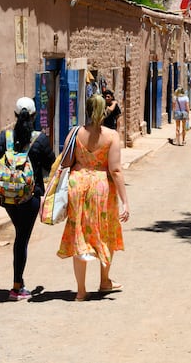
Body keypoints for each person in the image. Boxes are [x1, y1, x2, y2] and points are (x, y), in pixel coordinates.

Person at [58, 94, 130, 301]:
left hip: (77, 184)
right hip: (101, 187)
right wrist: (125, 201)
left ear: (87, 109)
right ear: (105, 111)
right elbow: (115, 170)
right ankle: (105, 281)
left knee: (78, 233)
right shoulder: (112, 136)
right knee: (104, 230)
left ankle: (80, 291)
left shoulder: (74, 133)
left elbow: (65, 160)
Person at [0, 97, 56, 301]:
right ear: (34, 115)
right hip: (30, 198)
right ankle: (16, 287)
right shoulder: (39, 140)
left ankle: (19, 283)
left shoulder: (3, 138)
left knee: (20, 234)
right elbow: (53, 163)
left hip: (7, 199)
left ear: (15, 115)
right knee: (21, 239)